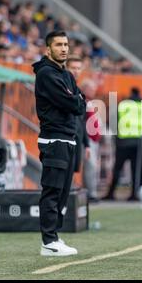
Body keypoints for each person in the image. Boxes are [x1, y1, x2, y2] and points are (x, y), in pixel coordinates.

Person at [33, 31, 86, 256]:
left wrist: (76, 99)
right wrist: (76, 100)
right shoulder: (46, 73)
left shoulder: (66, 75)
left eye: (65, 44)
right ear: (48, 49)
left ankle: (54, 235)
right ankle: (48, 241)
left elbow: (80, 101)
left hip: (68, 138)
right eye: (58, 45)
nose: (63, 48)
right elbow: (73, 103)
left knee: (63, 192)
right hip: (54, 139)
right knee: (53, 191)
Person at [103, 87, 142, 201]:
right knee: (137, 169)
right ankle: (135, 194)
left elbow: (113, 122)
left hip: (123, 141)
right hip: (139, 142)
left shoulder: (123, 105)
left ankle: (111, 194)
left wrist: (116, 137)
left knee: (117, 168)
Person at [66, 55, 91, 176]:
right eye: (73, 68)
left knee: (71, 174)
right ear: (66, 68)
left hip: (77, 139)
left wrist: (86, 144)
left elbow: (82, 121)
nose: (76, 71)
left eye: (78, 68)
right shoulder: (62, 88)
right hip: (66, 139)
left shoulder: (78, 91)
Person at [80, 79, 102, 203]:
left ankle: (90, 191)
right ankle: (90, 193)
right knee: (90, 166)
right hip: (88, 139)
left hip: (93, 139)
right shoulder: (83, 102)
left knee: (92, 167)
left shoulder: (89, 103)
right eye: (91, 89)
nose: (94, 91)